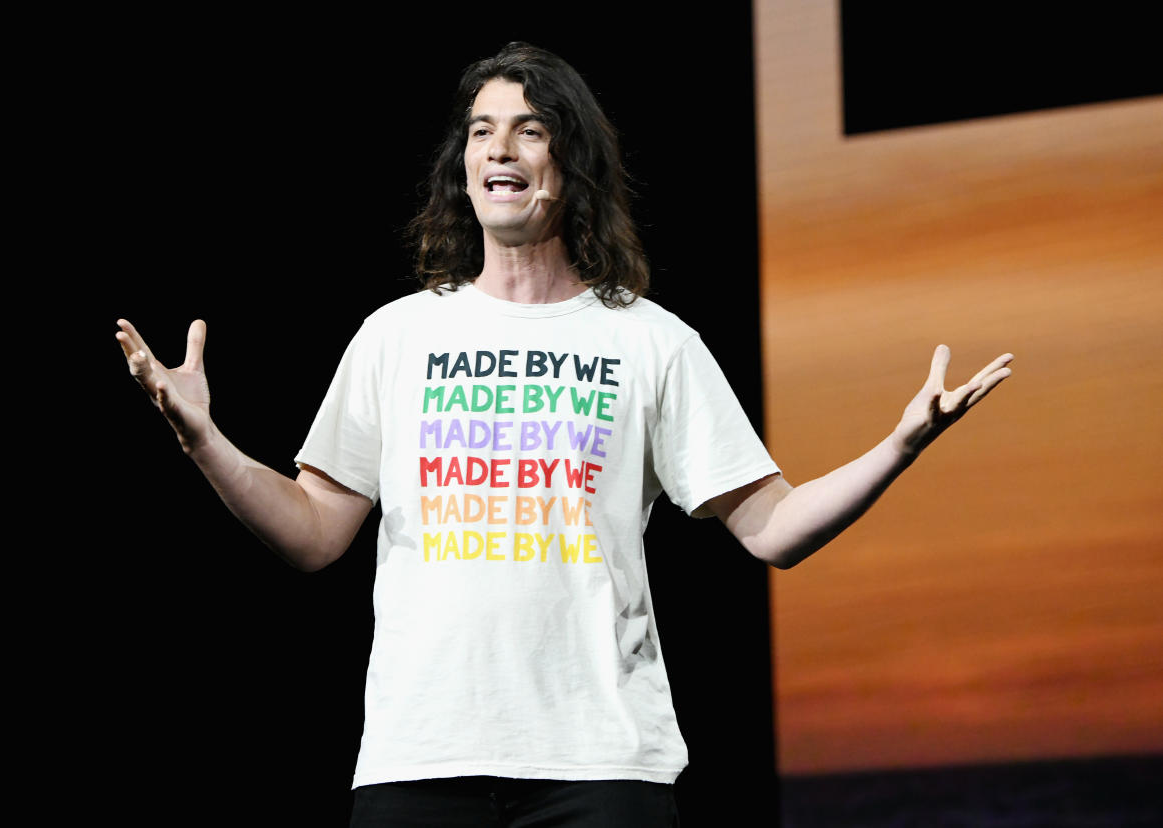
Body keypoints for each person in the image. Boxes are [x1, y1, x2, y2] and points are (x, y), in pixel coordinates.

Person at [116, 43, 1012, 828]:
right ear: (461, 167)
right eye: (480, 130)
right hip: (419, 763)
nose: (498, 147)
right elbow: (314, 532)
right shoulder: (398, 334)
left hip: (599, 772)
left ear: (570, 162)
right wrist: (207, 442)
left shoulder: (649, 341)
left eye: (529, 129)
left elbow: (774, 530)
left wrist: (898, 447)